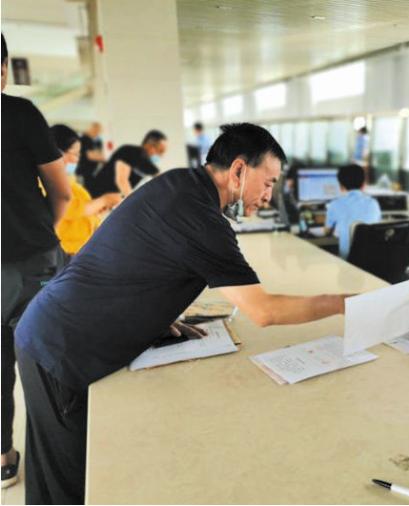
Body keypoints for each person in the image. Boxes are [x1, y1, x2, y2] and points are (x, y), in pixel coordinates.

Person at [14, 123, 350, 504]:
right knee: (69, 486)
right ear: (239, 169)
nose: (269, 195)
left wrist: (155, 316)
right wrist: (344, 303)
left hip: (52, 327)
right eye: (268, 182)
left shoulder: (180, 185)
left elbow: (137, 259)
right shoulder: (200, 216)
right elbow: (264, 311)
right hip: (61, 346)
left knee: (57, 474)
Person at [1, 33, 72, 489]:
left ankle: (3, 458)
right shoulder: (19, 113)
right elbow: (62, 192)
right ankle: (64, 458)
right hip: (33, 261)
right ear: (4, 67)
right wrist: (40, 231)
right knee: (48, 359)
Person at [50, 124, 122, 256]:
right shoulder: (48, 182)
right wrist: (103, 200)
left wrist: (96, 212)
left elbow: (81, 214)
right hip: (64, 252)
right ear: (57, 153)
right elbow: (69, 209)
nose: (77, 159)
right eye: (75, 154)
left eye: (79, 155)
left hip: (79, 250)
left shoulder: (71, 184)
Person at [86, 129, 166, 198]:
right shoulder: (128, 151)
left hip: (111, 203)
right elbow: (122, 181)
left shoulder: (149, 166)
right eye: (160, 151)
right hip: (94, 194)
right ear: (149, 145)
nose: (161, 155)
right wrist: (132, 204)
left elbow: (163, 180)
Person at [325, 164, 382, 259]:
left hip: (347, 262)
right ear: (363, 184)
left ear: (341, 186)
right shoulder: (374, 203)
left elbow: (326, 231)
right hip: (372, 261)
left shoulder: (335, 204)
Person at [75, 121, 105, 189]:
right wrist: (104, 158)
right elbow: (90, 156)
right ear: (91, 129)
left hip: (92, 173)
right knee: (83, 190)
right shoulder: (84, 139)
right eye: (96, 130)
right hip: (83, 172)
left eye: (99, 131)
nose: (97, 133)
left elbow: (100, 154)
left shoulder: (98, 141)